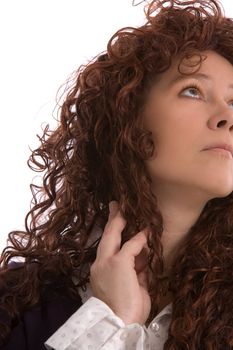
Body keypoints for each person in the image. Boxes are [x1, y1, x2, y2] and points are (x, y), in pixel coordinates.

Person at [1, 0, 233, 348]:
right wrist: (112, 320)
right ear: (129, 121)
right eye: (193, 91)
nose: (226, 118)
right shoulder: (17, 303)